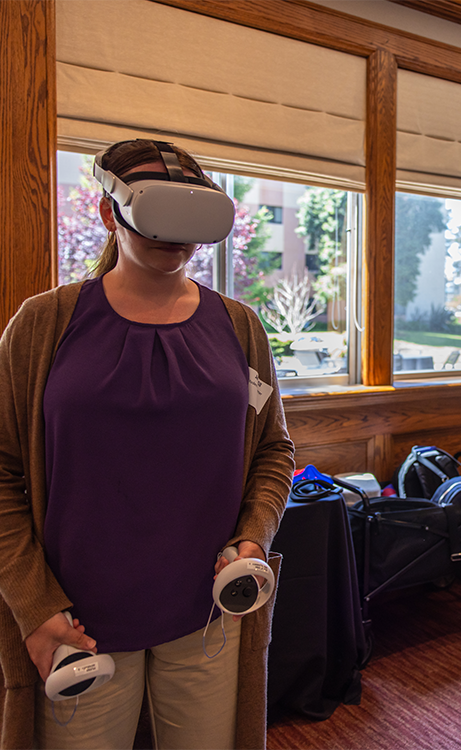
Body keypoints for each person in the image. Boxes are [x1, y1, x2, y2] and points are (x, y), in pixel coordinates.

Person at [0, 139, 295, 750]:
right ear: (111, 213)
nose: (178, 239)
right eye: (163, 218)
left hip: (209, 616)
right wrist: (33, 604)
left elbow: (273, 449)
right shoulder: (43, 325)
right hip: (78, 626)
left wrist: (254, 536)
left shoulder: (238, 329)